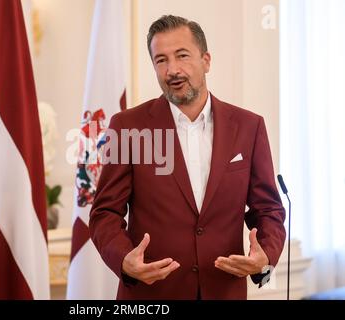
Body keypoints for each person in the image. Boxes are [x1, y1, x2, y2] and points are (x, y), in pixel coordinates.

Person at [89, 15, 286, 300]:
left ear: (206, 60)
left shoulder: (249, 126)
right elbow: (105, 213)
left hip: (224, 290)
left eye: (182, 56)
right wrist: (124, 260)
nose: (172, 70)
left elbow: (268, 209)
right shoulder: (127, 126)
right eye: (161, 60)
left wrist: (265, 257)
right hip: (152, 296)